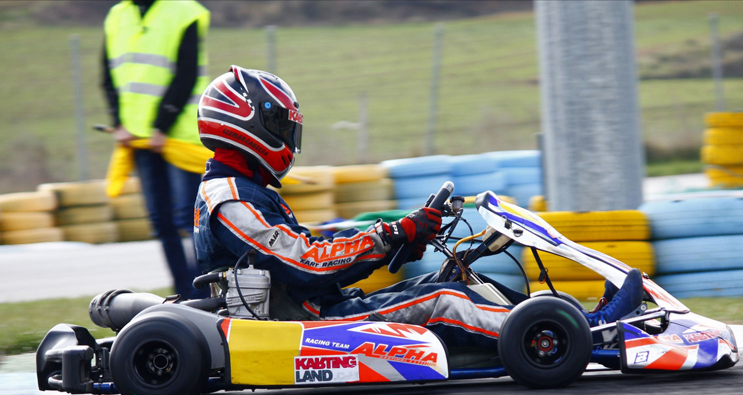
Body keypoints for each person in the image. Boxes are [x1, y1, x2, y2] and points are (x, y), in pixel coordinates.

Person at [193, 66, 644, 350]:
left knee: (453, 277)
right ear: (243, 123)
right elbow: (304, 263)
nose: (288, 139)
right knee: (445, 301)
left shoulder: (246, 190)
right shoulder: (230, 199)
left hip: (317, 309)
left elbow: (310, 253)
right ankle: (584, 336)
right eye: (279, 125)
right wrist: (392, 234)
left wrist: (400, 240)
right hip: (302, 327)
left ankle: (568, 322)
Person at [101, 0, 210, 299]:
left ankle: (206, 292)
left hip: (179, 136)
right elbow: (108, 76)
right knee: (161, 221)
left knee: (189, 218)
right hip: (138, 138)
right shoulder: (117, 16)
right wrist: (118, 121)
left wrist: (162, 125)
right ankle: (184, 295)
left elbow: (186, 74)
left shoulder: (185, 11)